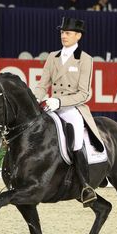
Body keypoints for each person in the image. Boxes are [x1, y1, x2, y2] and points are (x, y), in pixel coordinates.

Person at [34, 17, 104, 206]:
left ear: (78, 36)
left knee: (75, 140)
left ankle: (84, 185)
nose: (64, 36)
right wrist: (36, 98)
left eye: (68, 33)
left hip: (72, 107)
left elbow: (84, 93)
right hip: (51, 105)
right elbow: (42, 85)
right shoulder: (52, 56)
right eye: (62, 33)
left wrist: (60, 101)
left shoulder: (85, 59)